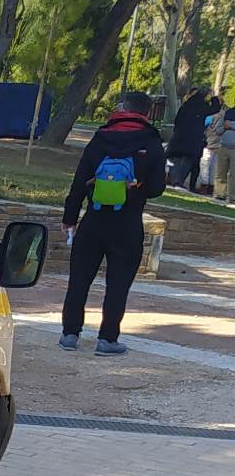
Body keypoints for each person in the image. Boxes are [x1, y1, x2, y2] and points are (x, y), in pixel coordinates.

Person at [59, 90, 166, 356]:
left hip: (93, 220)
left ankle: (69, 334)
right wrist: (136, 188)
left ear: (122, 108)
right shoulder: (152, 141)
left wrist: (70, 217)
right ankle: (107, 339)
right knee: (118, 285)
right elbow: (156, 188)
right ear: (147, 112)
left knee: (79, 280)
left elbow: (79, 181)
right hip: (127, 224)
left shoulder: (100, 137)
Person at [166, 86, 209, 189]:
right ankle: (178, 181)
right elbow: (214, 109)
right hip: (192, 138)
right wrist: (214, 99)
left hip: (180, 136)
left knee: (177, 158)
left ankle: (175, 180)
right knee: (187, 160)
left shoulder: (186, 105)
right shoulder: (202, 106)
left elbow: (177, 119)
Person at [207, 94, 235, 203]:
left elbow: (230, 125)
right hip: (223, 147)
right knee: (220, 173)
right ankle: (219, 194)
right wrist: (224, 126)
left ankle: (232, 196)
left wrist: (231, 125)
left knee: (233, 174)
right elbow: (217, 130)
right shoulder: (228, 113)